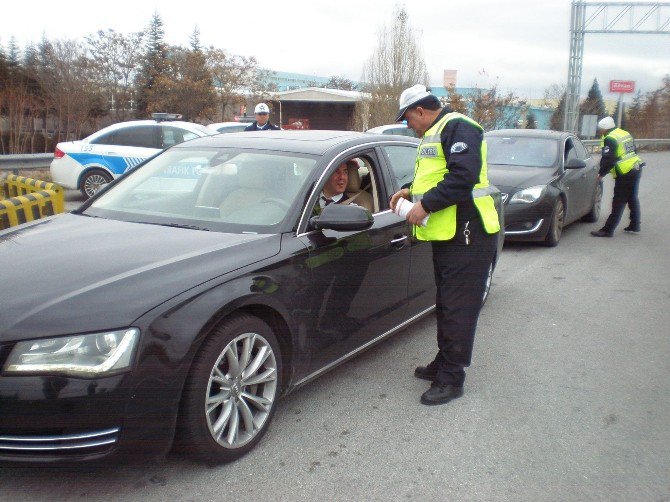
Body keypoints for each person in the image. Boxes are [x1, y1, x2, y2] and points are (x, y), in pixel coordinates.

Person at [390, 84, 500, 406]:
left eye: (408, 118)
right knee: (447, 303)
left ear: (421, 110)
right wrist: (410, 191)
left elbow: (462, 178)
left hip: (469, 232)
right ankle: (444, 362)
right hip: (448, 234)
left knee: (459, 308)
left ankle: (453, 379)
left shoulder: (460, 127)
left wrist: (424, 206)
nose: (408, 125)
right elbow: (435, 176)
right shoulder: (435, 132)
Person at [590, 116, 643, 237]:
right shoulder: (624, 133)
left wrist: (601, 174)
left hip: (625, 173)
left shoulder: (610, 138)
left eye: (601, 129)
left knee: (618, 201)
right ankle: (635, 225)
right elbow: (633, 151)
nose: (600, 131)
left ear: (605, 129)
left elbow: (609, 159)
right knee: (632, 198)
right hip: (636, 168)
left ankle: (608, 230)